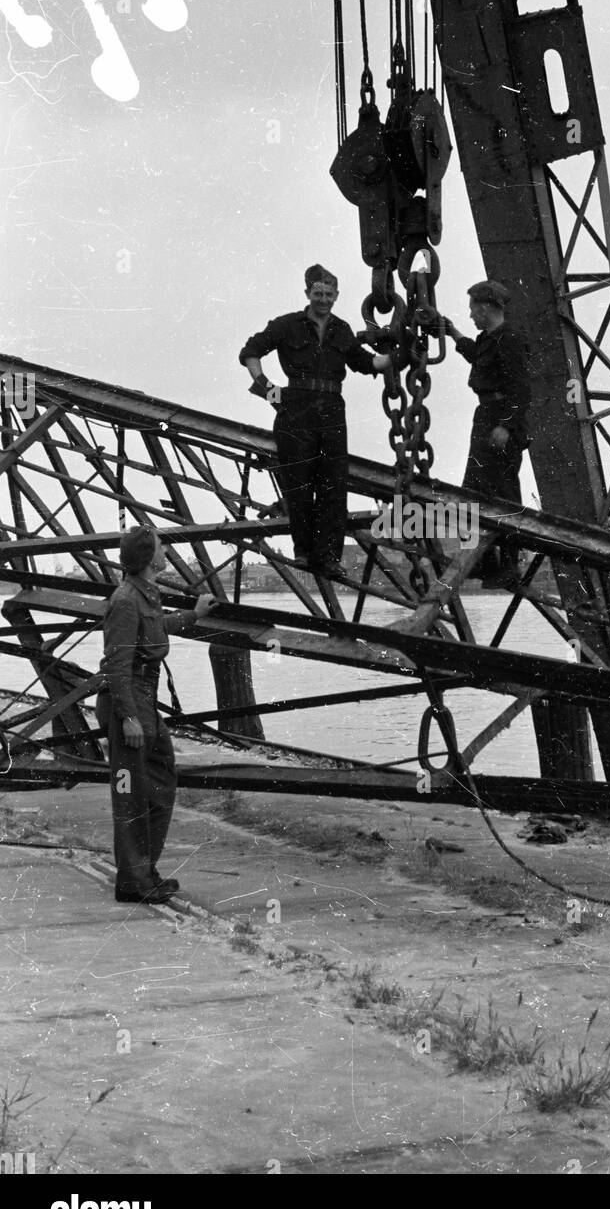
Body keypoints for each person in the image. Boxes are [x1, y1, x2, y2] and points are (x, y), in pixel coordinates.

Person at [238, 264, 392, 575]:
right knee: (298, 485)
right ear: (307, 293)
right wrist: (268, 390)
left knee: (333, 485)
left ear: (337, 296)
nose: (323, 299)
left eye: (329, 294)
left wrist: (400, 356)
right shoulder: (286, 325)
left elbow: (366, 363)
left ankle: (329, 557)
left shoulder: (342, 330)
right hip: (296, 408)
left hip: (333, 408)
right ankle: (304, 553)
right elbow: (250, 351)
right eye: (318, 294)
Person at [95, 527, 215, 904]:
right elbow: (116, 663)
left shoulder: (145, 595)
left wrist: (192, 615)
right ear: (150, 557)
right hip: (129, 699)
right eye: (162, 546)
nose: (166, 550)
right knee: (131, 794)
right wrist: (128, 717)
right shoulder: (127, 599)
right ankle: (134, 883)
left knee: (160, 783)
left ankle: (142, 872)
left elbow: (154, 631)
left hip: (143, 698)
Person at [445, 280, 531, 587]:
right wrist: (452, 332)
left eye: (472, 309)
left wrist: (506, 425)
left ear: (484, 308)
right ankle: (484, 561)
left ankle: (509, 563)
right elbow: (475, 355)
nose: (470, 315)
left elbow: (521, 389)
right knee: (473, 489)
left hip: (499, 419)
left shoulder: (509, 340)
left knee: (504, 492)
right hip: (486, 417)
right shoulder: (489, 339)